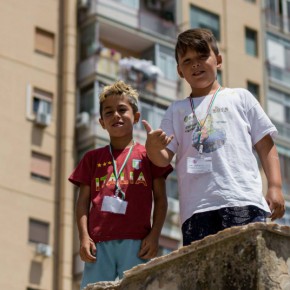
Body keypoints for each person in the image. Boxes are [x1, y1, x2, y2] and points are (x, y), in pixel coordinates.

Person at [142, 28, 285, 246]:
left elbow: (265, 144)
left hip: (241, 199)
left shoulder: (241, 97)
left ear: (218, 60)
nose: (196, 64)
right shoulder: (176, 110)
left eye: (202, 56)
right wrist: (152, 147)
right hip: (196, 210)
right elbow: (162, 159)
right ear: (179, 71)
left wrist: (275, 186)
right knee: (203, 277)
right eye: (187, 60)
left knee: (246, 269)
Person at [69, 80, 172, 289]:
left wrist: (154, 236)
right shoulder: (92, 158)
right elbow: (82, 204)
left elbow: (161, 200)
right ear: (101, 122)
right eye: (108, 112)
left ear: (135, 117)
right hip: (99, 244)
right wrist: (84, 237)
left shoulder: (148, 155)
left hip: (137, 242)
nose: (115, 115)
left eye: (122, 109)